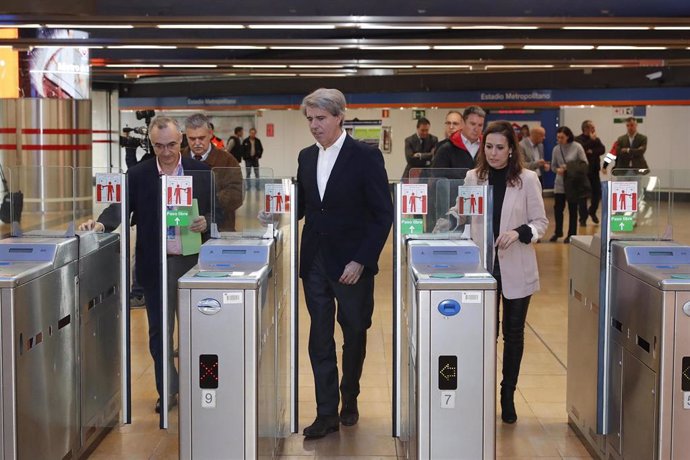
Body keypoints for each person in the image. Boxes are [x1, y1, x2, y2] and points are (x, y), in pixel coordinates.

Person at [79, 115, 212, 413]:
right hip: (157, 263)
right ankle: (168, 389)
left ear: (182, 141)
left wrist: (207, 222)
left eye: (172, 145)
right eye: (159, 146)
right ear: (151, 144)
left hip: (194, 262)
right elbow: (120, 206)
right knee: (159, 332)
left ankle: (201, 387)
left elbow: (215, 213)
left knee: (199, 330)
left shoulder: (199, 171)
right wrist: (101, 225)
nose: (166, 152)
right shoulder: (138, 175)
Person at [297, 88, 393, 439]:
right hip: (315, 262)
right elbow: (304, 204)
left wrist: (361, 260)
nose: (314, 126)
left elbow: (383, 215)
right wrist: (276, 212)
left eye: (320, 118)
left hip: (352, 263)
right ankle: (326, 413)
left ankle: (348, 395)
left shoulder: (365, 156)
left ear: (340, 116)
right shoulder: (306, 157)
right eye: (310, 119)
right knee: (319, 337)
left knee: (354, 332)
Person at [463, 120, 548, 424]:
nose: (494, 153)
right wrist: (445, 217)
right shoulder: (473, 177)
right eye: (488, 147)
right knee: (485, 334)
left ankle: (507, 393)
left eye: (500, 147)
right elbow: (463, 212)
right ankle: (481, 391)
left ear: (512, 149)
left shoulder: (527, 179)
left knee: (513, 335)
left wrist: (520, 231)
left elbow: (541, 223)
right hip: (481, 269)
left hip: (516, 268)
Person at [183, 113, 243, 231]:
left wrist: (209, 205)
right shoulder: (178, 158)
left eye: (201, 138)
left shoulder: (228, 161)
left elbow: (237, 194)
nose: (197, 143)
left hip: (221, 229)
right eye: (192, 138)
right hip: (185, 229)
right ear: (186, 137)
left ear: (210, 134)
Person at [549, 126, 588, 244]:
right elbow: (553, 166)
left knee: (572, 209)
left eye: (562, 137)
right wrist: (557, 170)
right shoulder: (556, 149)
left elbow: (584, 163)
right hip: (560, 182)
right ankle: (558, 231)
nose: (560, 140)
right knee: (558, 208)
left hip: (573, 183)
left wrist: (569, 167)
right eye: (558, 137)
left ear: (568, 136)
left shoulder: (577, 147)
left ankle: (571, 234)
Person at [432, 105, 486, 174]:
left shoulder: (487, 147)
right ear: (463, 123)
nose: (476, 129)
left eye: (480, 125)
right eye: (473, 124)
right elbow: (437, 179)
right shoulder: (446, 149)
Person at [574, 120, 606, 224]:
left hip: (594, 170)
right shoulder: (578, 139)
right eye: (592, 128)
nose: (594, 130)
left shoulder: (596, 139)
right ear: (586, 129)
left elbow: (602, 149)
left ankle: (592, 211)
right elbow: (582, 149)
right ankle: (583, 218)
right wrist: (591, 142)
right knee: (583, 196)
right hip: (583, 172)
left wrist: (592, 151)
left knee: (597, 193)